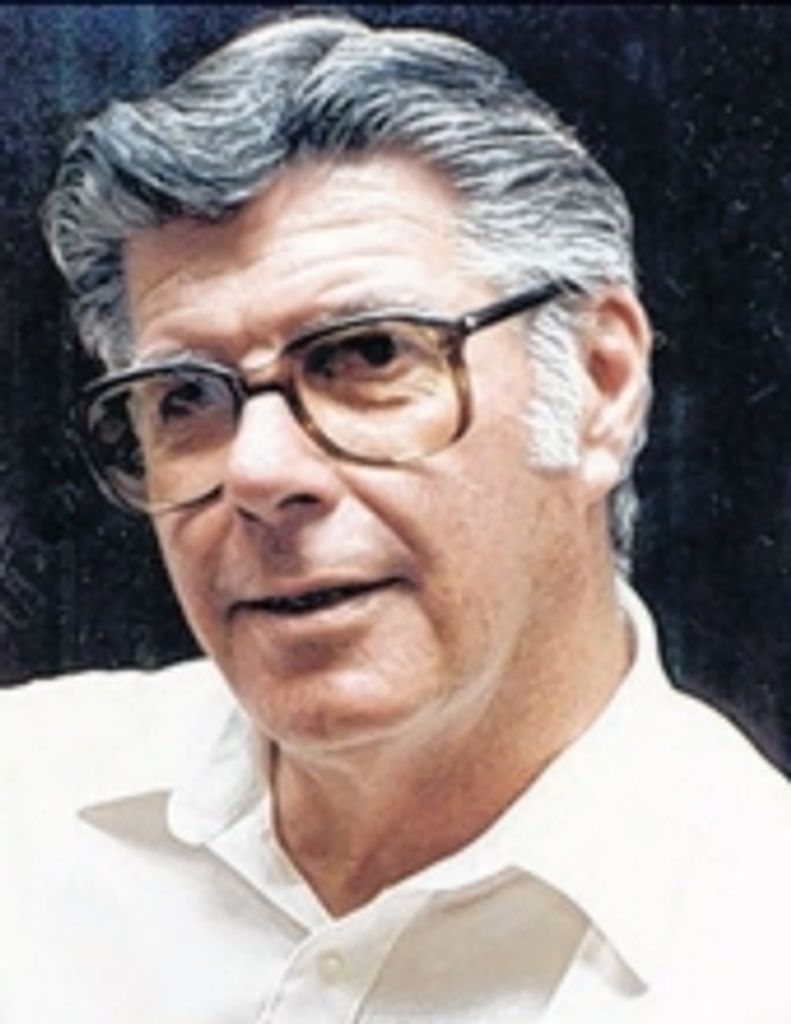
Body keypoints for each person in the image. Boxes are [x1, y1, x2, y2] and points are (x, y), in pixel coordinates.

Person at [3, 10, 791, 1022]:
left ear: (598, 386)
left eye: (367, 354)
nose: (257, 471)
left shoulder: (755, 946)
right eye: (184, 397)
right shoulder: (22, 812)